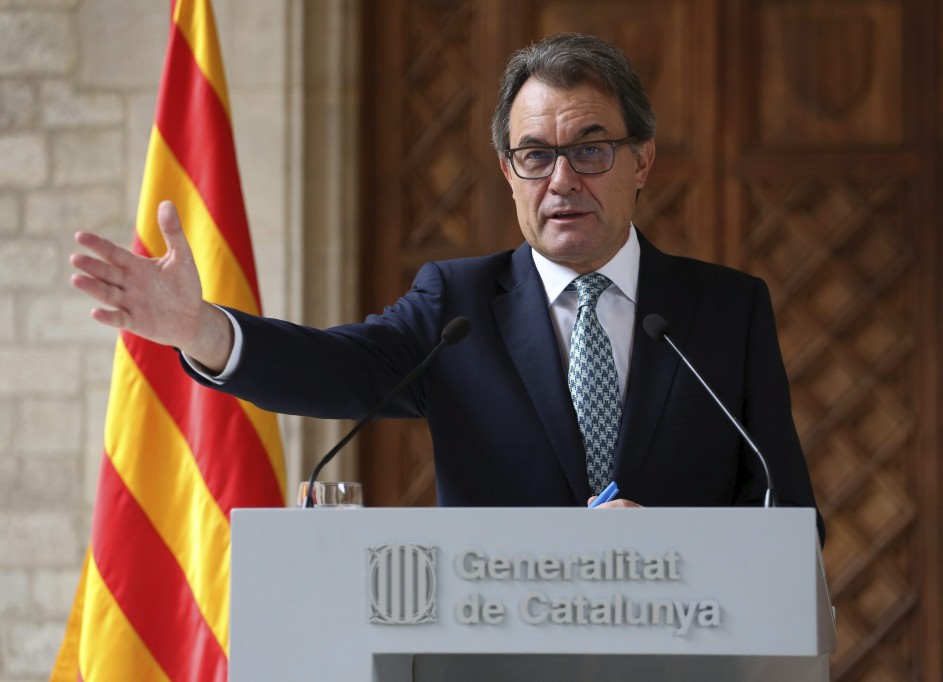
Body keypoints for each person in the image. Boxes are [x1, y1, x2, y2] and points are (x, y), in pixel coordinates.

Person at [70, 33, 824, 544]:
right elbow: (336, 369)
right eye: (534, 155)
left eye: (590, 149)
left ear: (643, 162)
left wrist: (667, 549)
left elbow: (787, 516)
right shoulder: (457, 307)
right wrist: (203, 329)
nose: (561, 180)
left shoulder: (727, 310)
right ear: (508, 172)